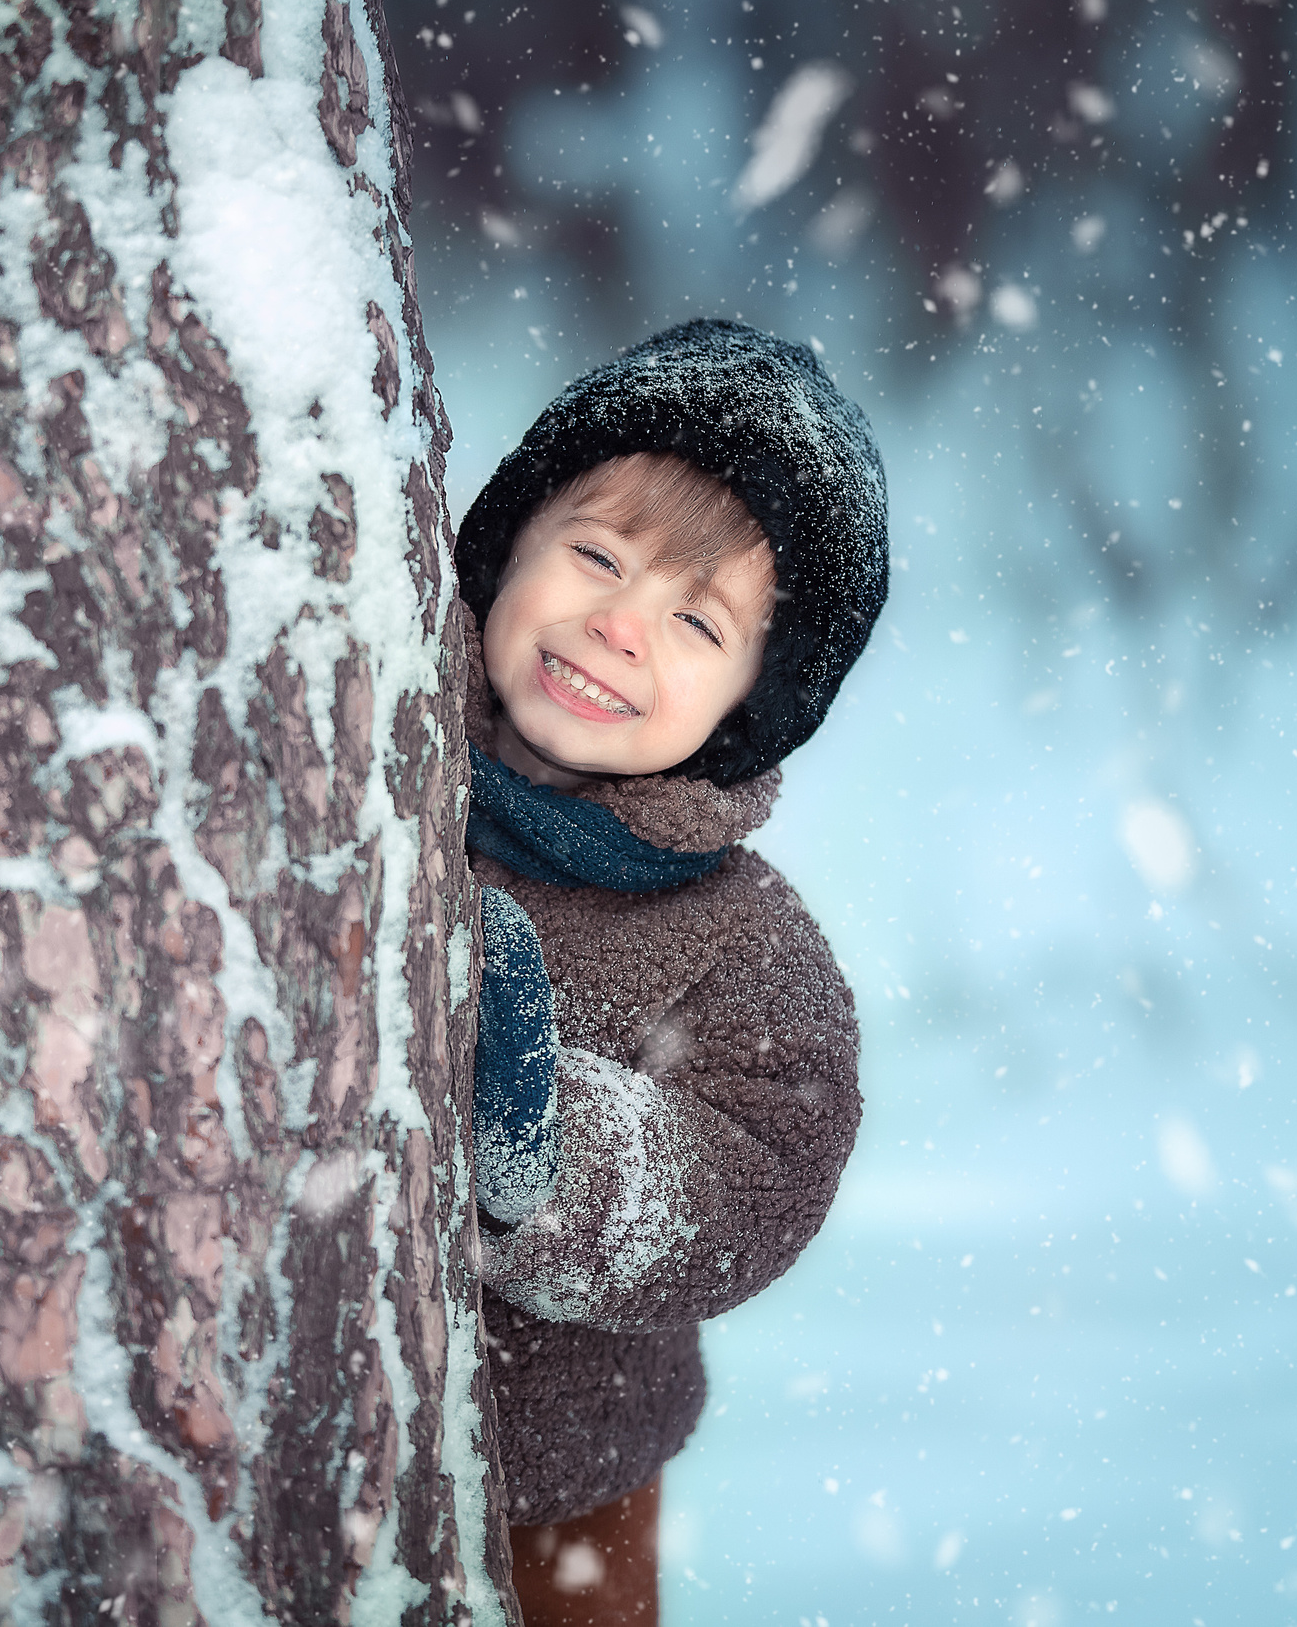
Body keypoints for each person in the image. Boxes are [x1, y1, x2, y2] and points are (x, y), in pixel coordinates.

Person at [452, 319, 888, 1625]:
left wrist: (553, 1154)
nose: (618, 627)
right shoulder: (355, 747)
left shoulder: (737, 936)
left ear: (753, 701)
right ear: (506, 544)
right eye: (594, 554)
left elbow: (761, 1174)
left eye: (696, 621)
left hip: (552, 1496)